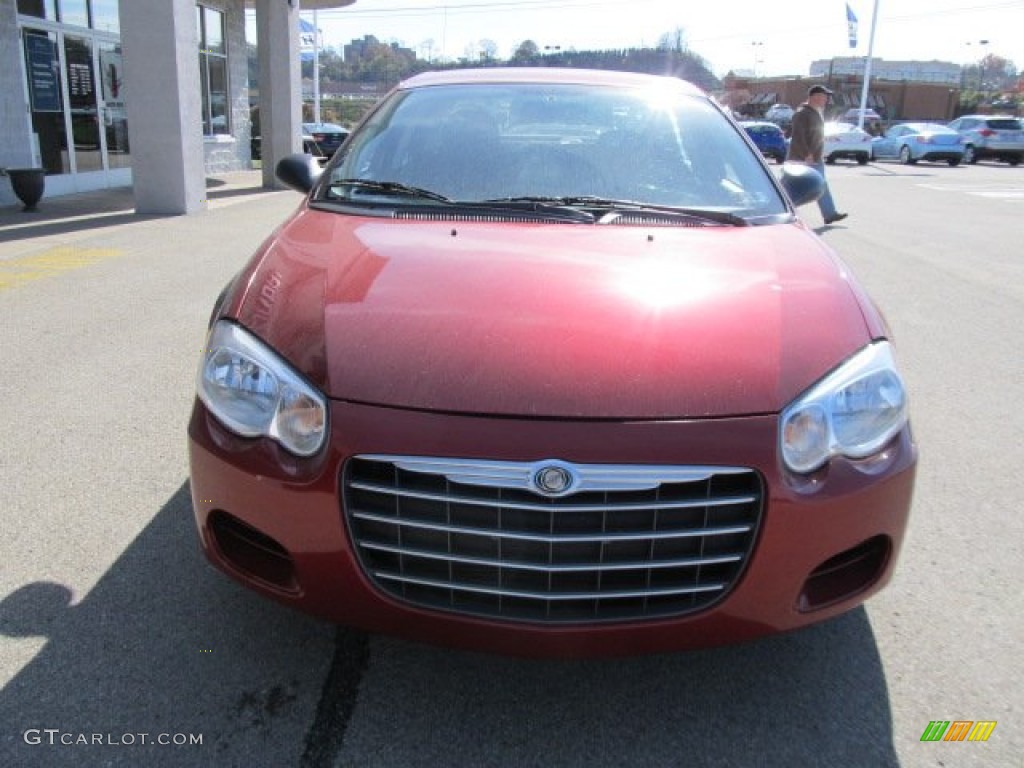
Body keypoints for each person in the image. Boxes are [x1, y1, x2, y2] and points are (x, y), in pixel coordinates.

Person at [786, 84, 848, 225]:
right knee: (794, 187)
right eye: (824, 96)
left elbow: (815, 134)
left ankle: (829, 213)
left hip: (815, 158)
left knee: (820, 185)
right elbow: (798, 135)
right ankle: (783, 210)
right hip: (804, 159)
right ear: (815, 97)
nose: (826, 99)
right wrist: (807, 154)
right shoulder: (802, 113)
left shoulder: (815, 112)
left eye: (826, 97)